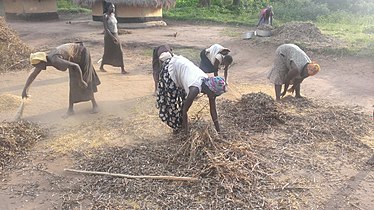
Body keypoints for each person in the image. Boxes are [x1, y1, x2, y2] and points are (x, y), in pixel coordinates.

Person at [22, 42, 101, 116]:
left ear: (41, 62)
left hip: (82, 52)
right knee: (73, 83)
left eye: (37, 66)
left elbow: (75, 66)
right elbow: (33, 75)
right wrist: (24, 90)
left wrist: (80, 80)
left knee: (85, 80)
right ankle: (70, 109)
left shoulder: (55, 60)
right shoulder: (46, 60)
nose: (37, 68)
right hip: (73, 58)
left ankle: (95, 105)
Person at [156, 52, 227, 133]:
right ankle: (176, 129)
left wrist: (219, 131)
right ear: (212, 90)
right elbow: (185, 110)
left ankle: (181, 126)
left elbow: (213, 110)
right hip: (172, 68)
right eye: (215, 94)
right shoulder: (194, 89)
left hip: (182, 68)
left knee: (183, 101)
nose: (215, 96)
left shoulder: (209, 83)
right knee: (172, 104)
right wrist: (187, 132)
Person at [99, 2, 127, 74]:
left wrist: (117, 34)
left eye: (114, 7)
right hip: (109, 37)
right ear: (108, 8)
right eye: (112, 7)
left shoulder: (113, 15)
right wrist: (112, 37)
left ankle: (122, 69)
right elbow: (106, 29)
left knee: (120, 51)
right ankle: (101, 66)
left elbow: (115, 26)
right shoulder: (105, 16)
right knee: (107, 52)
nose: (113, 9)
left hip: (115, 34)